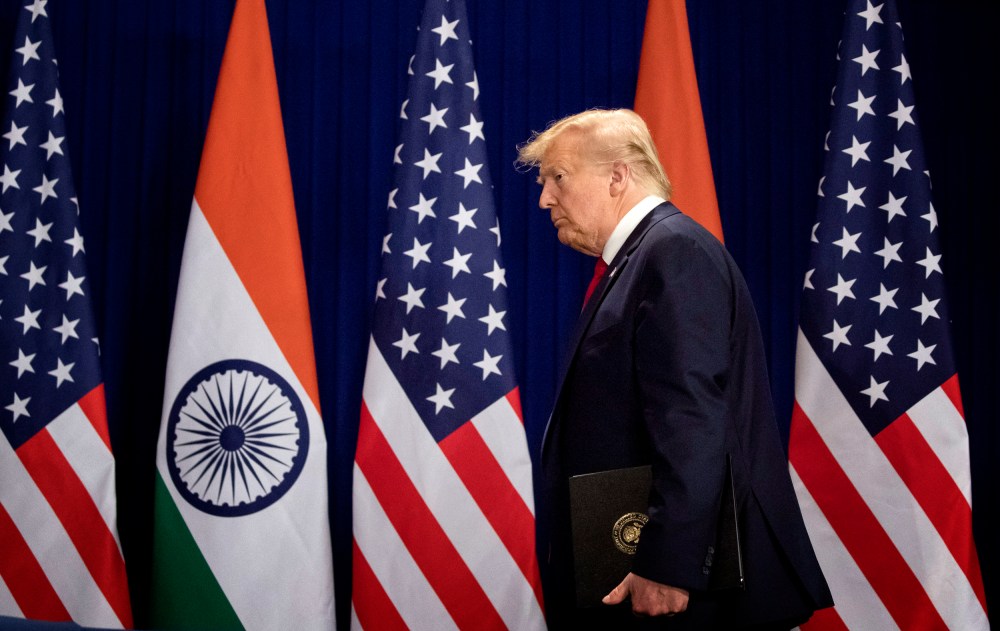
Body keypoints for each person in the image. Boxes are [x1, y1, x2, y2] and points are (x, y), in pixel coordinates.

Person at [517, 109, 833, 629]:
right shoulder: (641, 260)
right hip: (624, 560)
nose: (545, 198)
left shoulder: (673, 254)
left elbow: (691, 422)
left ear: (618, 175)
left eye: (558, 178)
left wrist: (668, 563)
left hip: (675, 584)